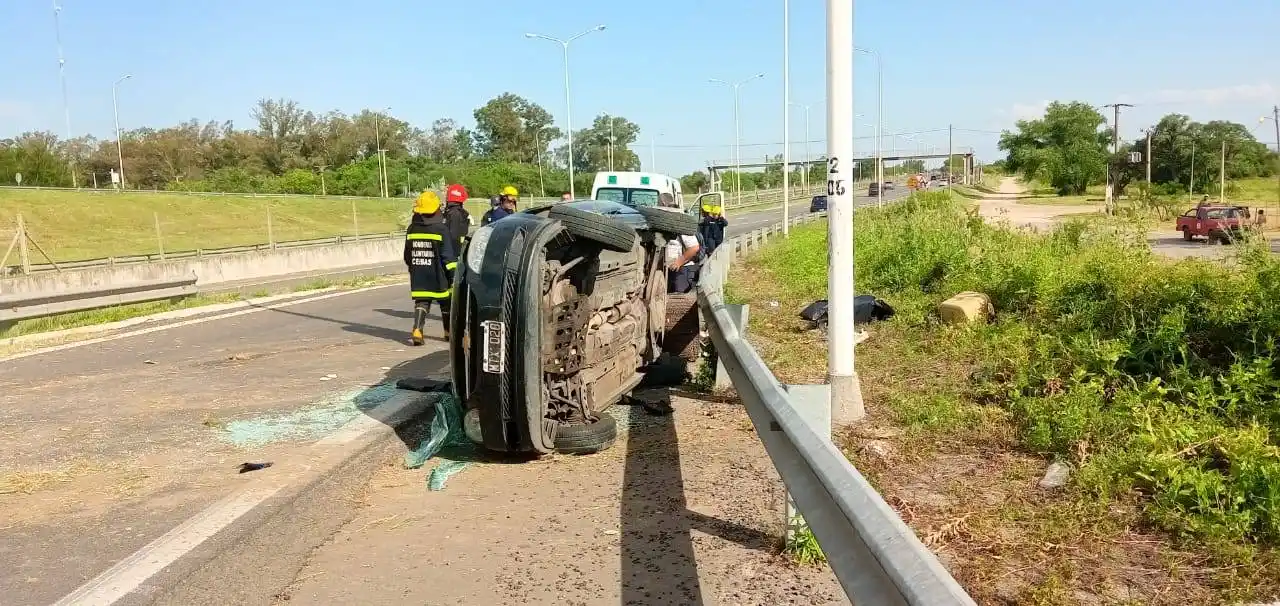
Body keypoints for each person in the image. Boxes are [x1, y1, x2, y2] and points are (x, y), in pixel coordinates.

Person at [404, 191, 457, 346]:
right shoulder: (440, 229)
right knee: (445, 302)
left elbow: (407, 255)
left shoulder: (412, 229)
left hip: (419, 273)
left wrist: (413, 268)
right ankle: (448, 332)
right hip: (438, 274)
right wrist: (453, 276)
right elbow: (448, 256)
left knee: (422, 302)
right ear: (435, 210)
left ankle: (417, 330)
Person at [659, 192, 701, 293]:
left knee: (679, 297)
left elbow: (694, 247)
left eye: (659, 203)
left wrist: (679, 262)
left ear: (664, 203)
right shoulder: (665, 224)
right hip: (671, 269)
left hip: (683, 270)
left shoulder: (680, 225)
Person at [442, 183, 471, 253]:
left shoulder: (454, 214)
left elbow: (453, 237)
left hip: (453, 251)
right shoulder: (459, 212)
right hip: (458, 249)